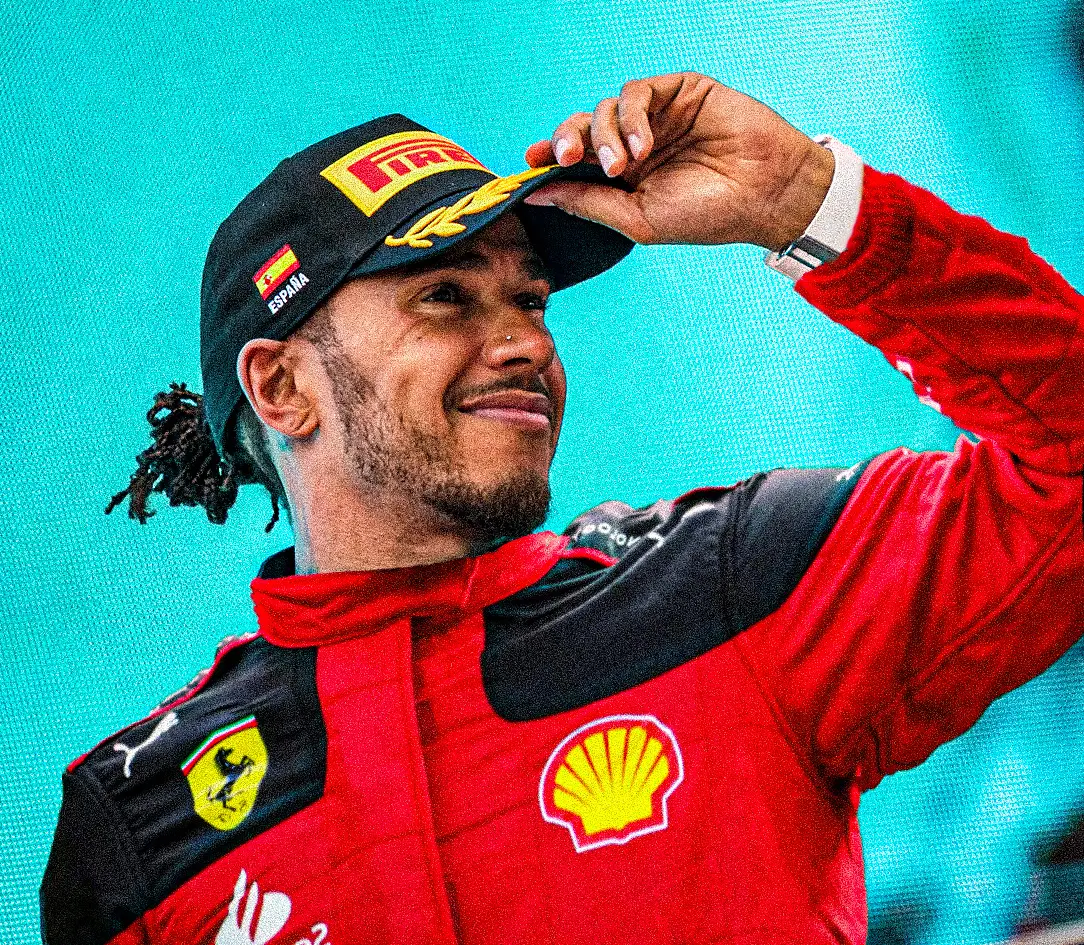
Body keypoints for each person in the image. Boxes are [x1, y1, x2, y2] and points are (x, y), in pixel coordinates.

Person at [41, 72, 1084, 945]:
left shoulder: (731, 583)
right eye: (445, 296)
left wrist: (808, 202)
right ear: (280, 388)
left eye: (530, 300)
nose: (526, 343)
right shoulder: (137, 825)